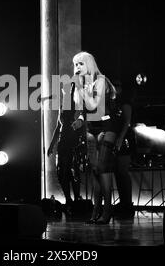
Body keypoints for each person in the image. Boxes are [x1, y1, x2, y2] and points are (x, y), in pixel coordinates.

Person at [71, 51, 117, 224]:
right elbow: (83, 110)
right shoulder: (82, 84)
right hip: (91, 129)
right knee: (95, 171)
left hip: (106, 128)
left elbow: (94, 105)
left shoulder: (101, 81)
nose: (77, 68)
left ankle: (107, 211)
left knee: (104, 170)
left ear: (88, 64)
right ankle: (96, 211)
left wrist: (81, 88)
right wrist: (80, 120)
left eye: (80, 64)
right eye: (75, 65)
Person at [47, 81, 83, 210]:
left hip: (73, 142)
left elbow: (81, 125)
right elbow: (58, 127)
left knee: (72, 172)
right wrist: (51, 145)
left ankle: (76, 199)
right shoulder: (62, 107)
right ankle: (68, 199)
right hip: (62, 143)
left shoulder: (76, 106)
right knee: (62, 172)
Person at [112, 79, 136, 218]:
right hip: (118, 138)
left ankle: (127, 203)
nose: (115, 88)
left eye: (117, 85)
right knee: (118, 172)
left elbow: (127, 122)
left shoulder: (125, 103)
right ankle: (124, 202)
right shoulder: (115, 103)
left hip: (124, 139)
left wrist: (120, 139)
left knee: (122, 171)